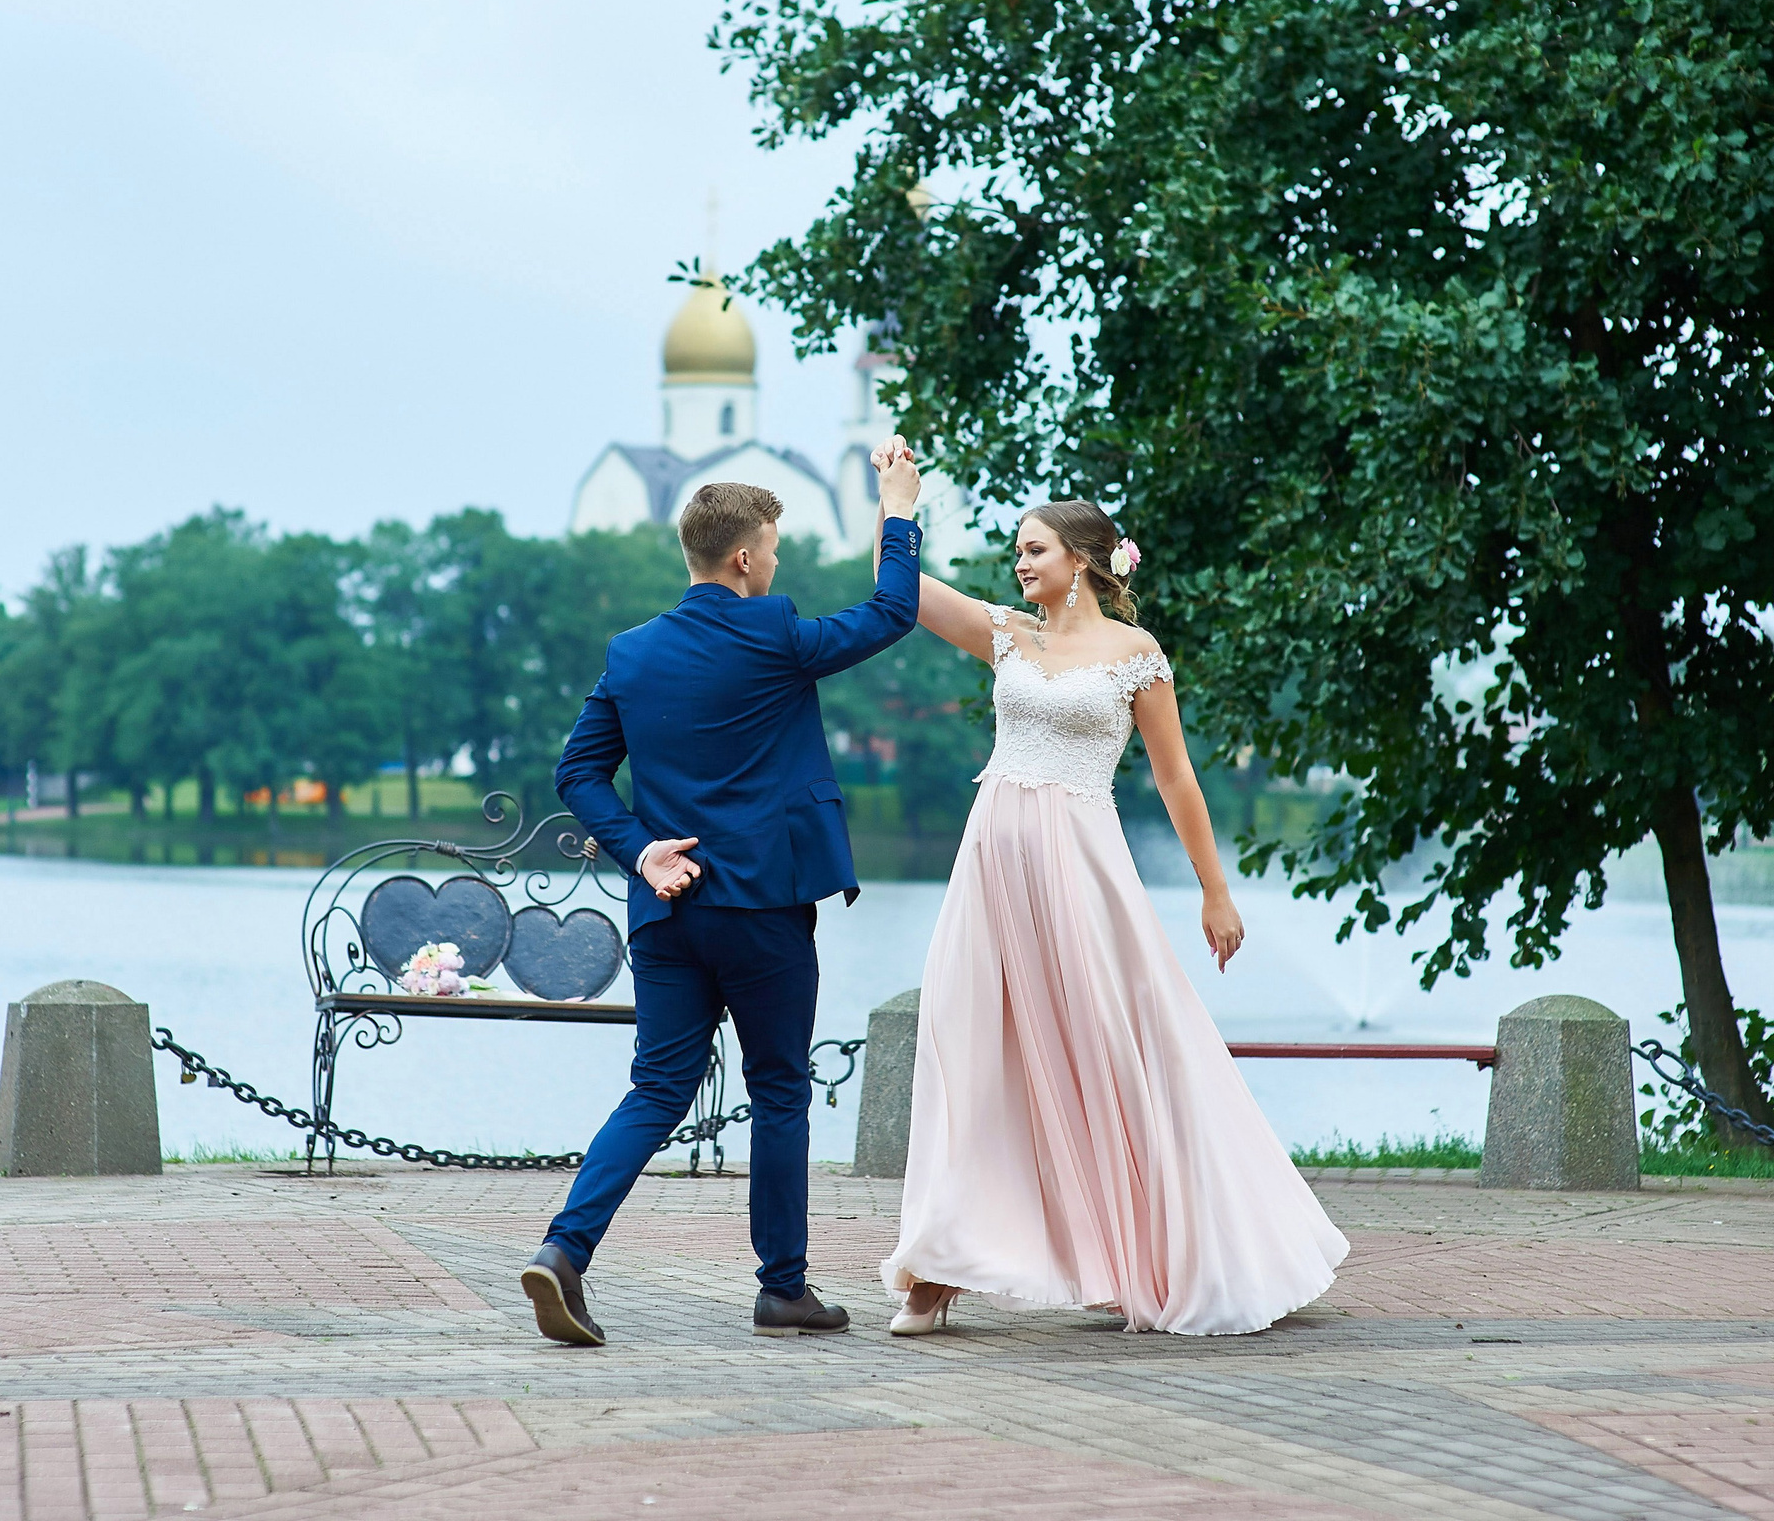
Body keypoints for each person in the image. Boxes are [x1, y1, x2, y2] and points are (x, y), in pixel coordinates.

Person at [873, 440, 1347, 1336]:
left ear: (1082, 560)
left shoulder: (1137, 655)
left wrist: (1215, 891)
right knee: (963, 1041)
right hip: (993, 863)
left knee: (1114, 1046)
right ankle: (936, 1269)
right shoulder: (1006, 633)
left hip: (1082, 868)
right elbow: (901, 595)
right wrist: (899, 503)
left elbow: (1177, 781)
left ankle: (1143, 1250)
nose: (1019, 563)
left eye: (1034, 549)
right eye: (1017, 551)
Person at [523, 461, 925, 1346]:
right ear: (744, 559)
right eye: (773, 552)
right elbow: (894, 610)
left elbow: (577, 773)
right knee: (779, 1090)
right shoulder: (774, 635)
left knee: (657, 1087)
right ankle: (784, 1290)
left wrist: (640, 851)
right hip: (764, 912)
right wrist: (898, 512)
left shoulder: (632, 652)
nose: (776, 568)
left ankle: (563, 1251)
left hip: (667, 909)